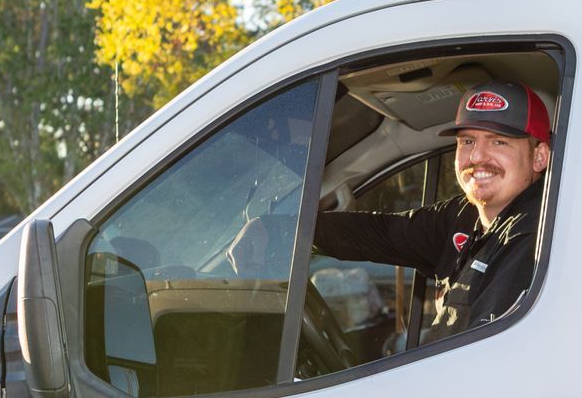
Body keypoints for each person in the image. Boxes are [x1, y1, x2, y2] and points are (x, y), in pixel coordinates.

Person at [233, 80, 554, 343]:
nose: (476, 157)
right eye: (467, 141)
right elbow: (383, 234)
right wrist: (276, 229)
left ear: (539, 156)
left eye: (499, 142)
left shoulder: (536, 234)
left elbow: (478, 353)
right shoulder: (466, 215)